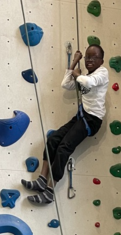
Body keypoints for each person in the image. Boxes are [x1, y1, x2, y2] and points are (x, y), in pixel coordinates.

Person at [21, 44, 109, 205]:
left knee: (64, 148)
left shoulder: (102, 73)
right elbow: (66, 84)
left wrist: (77, 75)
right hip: (81, 116)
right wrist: (74, 62)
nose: (89, 60)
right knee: (53, 140)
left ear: (101, 61)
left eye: (94, 57)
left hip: (92, 120)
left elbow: (89, 82)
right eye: (87, 57)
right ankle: (42, 179)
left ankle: (49, 191)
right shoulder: (84, 75)